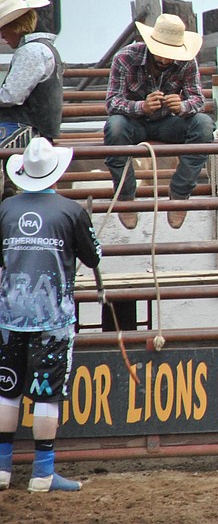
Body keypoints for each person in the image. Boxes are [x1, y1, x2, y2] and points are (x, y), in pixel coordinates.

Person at [0, 138, 102, 492]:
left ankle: (2, 469)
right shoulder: (71, 211)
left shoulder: (6, 209)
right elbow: (93, 257)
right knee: (46, 394)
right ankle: (43, 472)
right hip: (52, 320)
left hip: (9, 314)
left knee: (6, 389)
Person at [104, 13, 215, 230]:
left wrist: (182, 106)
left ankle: (179, 194)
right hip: (132, 123)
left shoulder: (187, 61)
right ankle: (126, 197)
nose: (165, 60)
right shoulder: (125, 57)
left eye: (170, 54)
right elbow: (112, 102)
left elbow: (198, 100)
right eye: (161, 54)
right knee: (115, 126)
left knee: (203, 125)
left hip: (168, 122)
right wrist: (140, 107)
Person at [0, 0, 62, 145]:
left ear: (15, 27)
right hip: (35, 130)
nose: (2, 36)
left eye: (3, 29)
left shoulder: (31, 51)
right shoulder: (43, 48)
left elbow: (11, 95)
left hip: (23, 130)